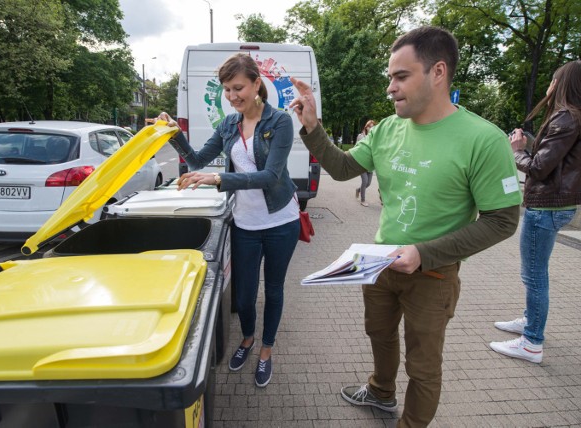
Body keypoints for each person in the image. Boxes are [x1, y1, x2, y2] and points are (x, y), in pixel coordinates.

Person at [289, 26, 522, 426]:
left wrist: (423, 252)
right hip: (379, 265)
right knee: (378, 336)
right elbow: (344, 169)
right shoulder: (386, 129)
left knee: (423, 367)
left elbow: (502, 221)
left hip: (432, 274)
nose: (390, 88)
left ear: (438, 72)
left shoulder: (484, 139)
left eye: (401, 77)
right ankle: (381, 392)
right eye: (390, 78)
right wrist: (312, 126)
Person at [155, 53, 300, 388]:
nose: (233, 96)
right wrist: (172, 133)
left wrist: (217, 180)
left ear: (256, 85)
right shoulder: (228, 124)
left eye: (239, 88)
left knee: (274, 289)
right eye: (227, 90)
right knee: (245, 296)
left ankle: (266, 350)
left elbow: (270, 175)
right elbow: (196, 159)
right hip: (246, 223)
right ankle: (248, 339)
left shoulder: (279, 122)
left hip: (281, 221)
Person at [490, 60, 581, 363]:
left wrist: (517, 150)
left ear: (561, 83)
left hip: (545, 206)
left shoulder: (564, 118)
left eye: (553, 80)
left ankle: (531, 342)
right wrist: (531, 145)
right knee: (536, 273)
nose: (549, 85)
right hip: (558, 204)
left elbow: (540, 168)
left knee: (534, 276)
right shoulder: (571, 118)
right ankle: (530, 322)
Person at [355, 119, 377, 206]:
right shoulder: (361, 136)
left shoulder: (375, 138)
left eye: (373, 126)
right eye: (370, 126)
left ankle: (358, 190)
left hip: (370, 164)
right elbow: (356, 148)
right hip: (362, 162)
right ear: (366, 127)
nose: (371, 128)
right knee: (364, 181)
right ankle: (363, 200)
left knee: (368, 183)